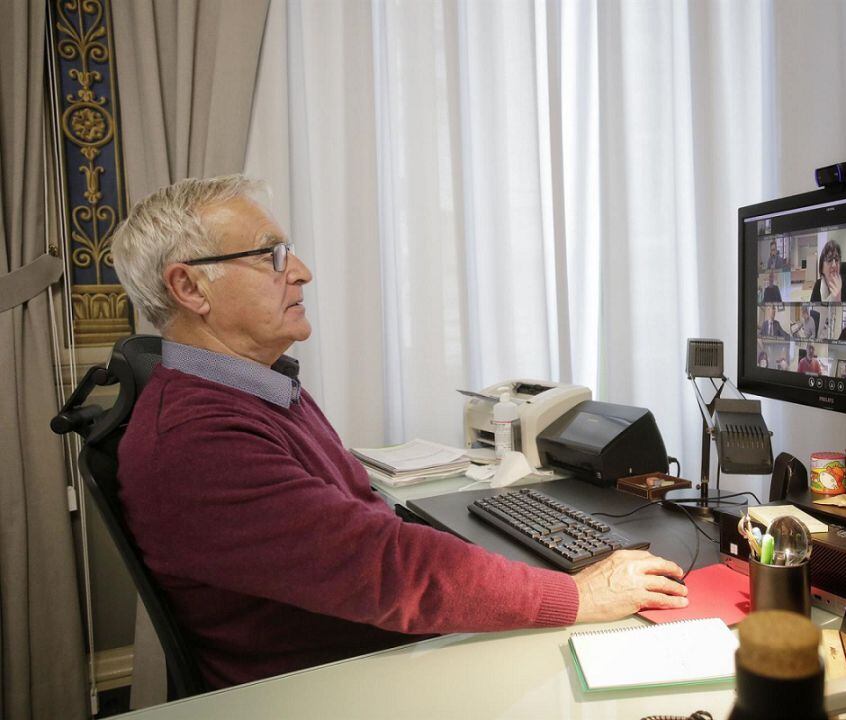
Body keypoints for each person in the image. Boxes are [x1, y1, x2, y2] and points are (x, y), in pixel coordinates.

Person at [110, 176, 688, 689]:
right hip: (337, 685)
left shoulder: (253, 388)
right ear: (189, 289)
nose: (301, 271)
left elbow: (352, 538)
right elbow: (384, 568)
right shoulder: (198, 440)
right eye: (272, 255)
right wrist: (576, 595)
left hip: (360, 648)